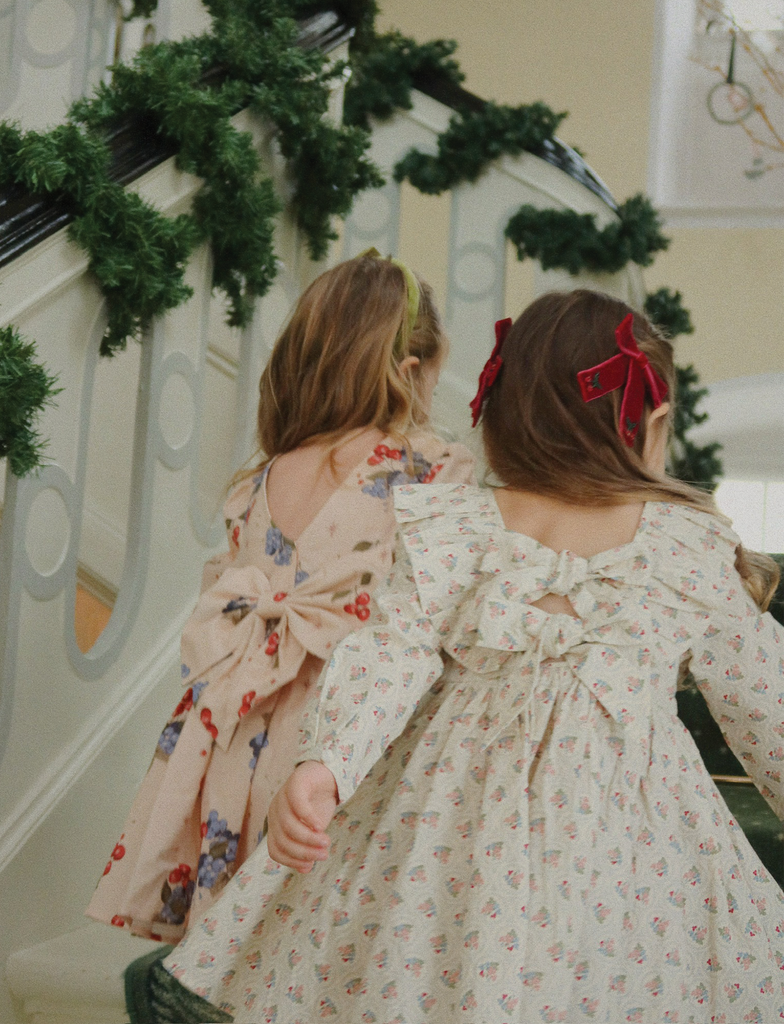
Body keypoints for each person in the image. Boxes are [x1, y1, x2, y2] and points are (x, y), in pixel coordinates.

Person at [164, 288, 784, 1023]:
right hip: (609, 865)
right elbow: (767, 708)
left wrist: (323, 768)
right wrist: (323, 764)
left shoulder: (462, 524)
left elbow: (383, 658)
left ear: (500, 411)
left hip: (458, 848)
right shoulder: (680, 545)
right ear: (651, 424)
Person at [86, 251, 475, 944]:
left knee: (244, 945)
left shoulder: (264, 475)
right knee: (332, 941)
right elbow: (439, 613)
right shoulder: (429, 471)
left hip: (243, 736)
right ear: (412, 370)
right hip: (345, 734)